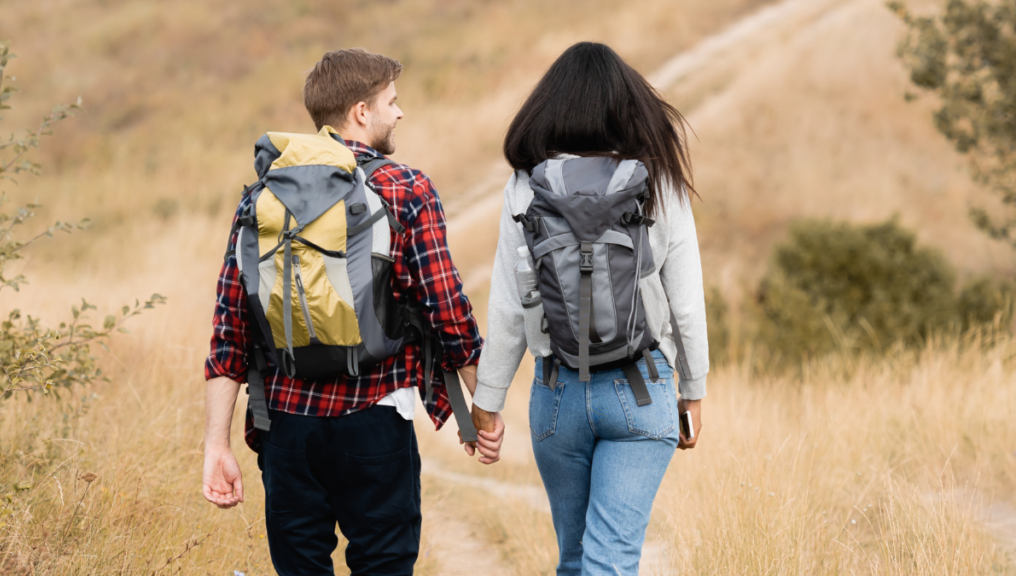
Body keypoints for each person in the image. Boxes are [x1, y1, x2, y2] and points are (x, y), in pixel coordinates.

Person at [201, 48, 503, 576]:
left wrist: (215, 445)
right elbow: (448, 312)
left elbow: (229, 333)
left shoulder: (262, 196)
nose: (400, 112)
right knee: (383, 564)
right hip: (375, 418)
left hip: (285, 425)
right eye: (392, 101)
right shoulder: (404, 187)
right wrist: (484, 404)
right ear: (362, 112)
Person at [471, 42, 709, 576]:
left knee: (576, 561)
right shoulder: (657, 180)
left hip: (556, 396)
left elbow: (510, 304)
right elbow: (687, 303)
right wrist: (693, 389)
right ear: (629, 106)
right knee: (612, 561)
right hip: (643, 387)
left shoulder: (524, 186)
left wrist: (488, 397)